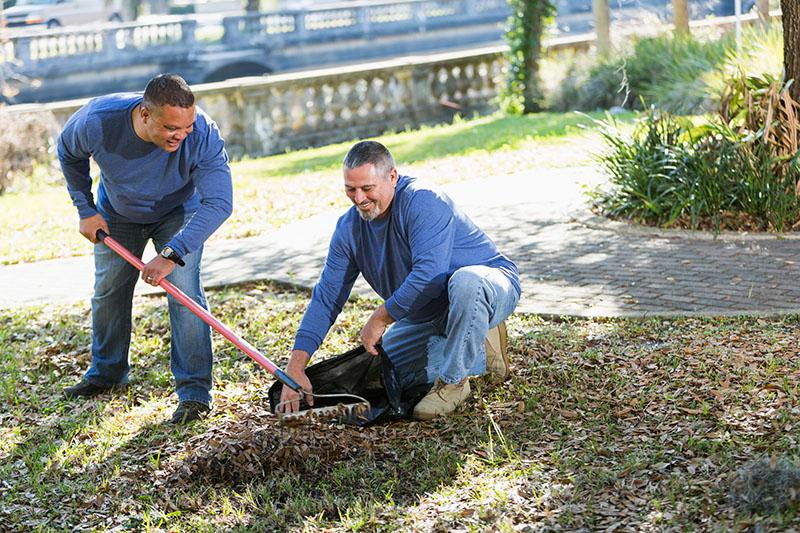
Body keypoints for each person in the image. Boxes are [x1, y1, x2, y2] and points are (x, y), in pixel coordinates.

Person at [279, 140, 520, 420]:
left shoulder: (423, 200)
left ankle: (454, 382)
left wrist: (380, 317)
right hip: (423, 315)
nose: (359, 199)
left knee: (466, 281)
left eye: (367, 188)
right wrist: (296, 364)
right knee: (385, 379)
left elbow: (429, 274)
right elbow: (327, 297)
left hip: (487, 287)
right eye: (350, 189)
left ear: (392, 176)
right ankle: (481, 346)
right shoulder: (348, 229)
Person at [58, 73, 233, 424]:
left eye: (187, 127)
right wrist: (85, 209)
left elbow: (220, 202)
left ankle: (195, 392)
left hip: (181, 212)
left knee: (184, 292)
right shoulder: (97, 121)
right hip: (118, 213)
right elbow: (68, 152)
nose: (181, 136)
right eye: (171, 128)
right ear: (144, 114)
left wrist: (172, 253)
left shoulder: (202, 133)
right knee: (109, 289)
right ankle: (107, 373)